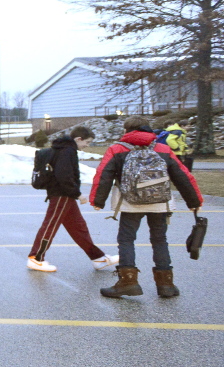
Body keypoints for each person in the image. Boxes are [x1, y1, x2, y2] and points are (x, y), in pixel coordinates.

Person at [90, 116, 203, 297]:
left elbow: (103, 174)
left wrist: (98, 201)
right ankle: (166, 285)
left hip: (129, 202)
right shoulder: (163, 148)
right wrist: (194, 202)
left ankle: (128, 281)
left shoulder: (117, 149)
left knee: (126, 240)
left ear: (127, 130)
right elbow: (183, 175)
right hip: (159, 202)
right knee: (159, 240)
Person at [27, 127, 116, 273]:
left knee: (78, 227)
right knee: (50, 225)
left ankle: (98, 258)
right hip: (62, 195)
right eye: (86, 142)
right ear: (78, 139)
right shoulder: (68, 151)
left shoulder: (62, 148)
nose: (87, 145)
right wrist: (77, 194)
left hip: (63, 195)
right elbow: (64, 176)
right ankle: (35, 258)